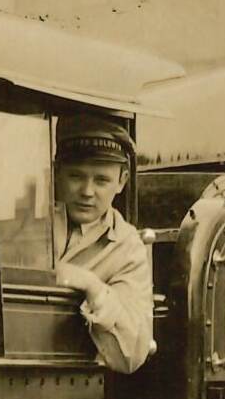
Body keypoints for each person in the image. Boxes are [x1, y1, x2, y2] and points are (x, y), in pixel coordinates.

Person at [52, 118, 154, 373]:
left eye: (101, 180)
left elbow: (131, 354)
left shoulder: (128, 249)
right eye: (76, 176)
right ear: (56, 172)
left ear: (122, 181)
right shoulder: (25, 225)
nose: (87, 191)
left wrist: (92, 287)